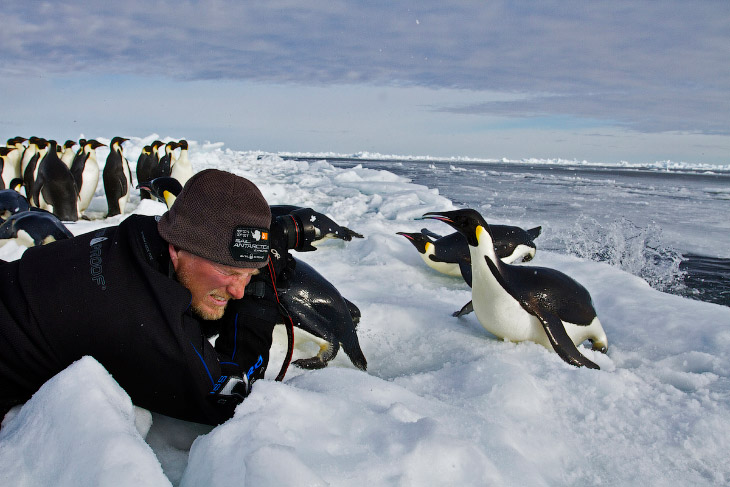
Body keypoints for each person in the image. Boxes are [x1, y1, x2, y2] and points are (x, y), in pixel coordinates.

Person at [0, 169, 322, 426]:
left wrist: (258, 253)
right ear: (176, 249)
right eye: (228, 272)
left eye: (249, 275)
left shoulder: (141, 233)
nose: (238, 290)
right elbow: (229, 396)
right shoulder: (143, 320)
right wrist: (260, 294)